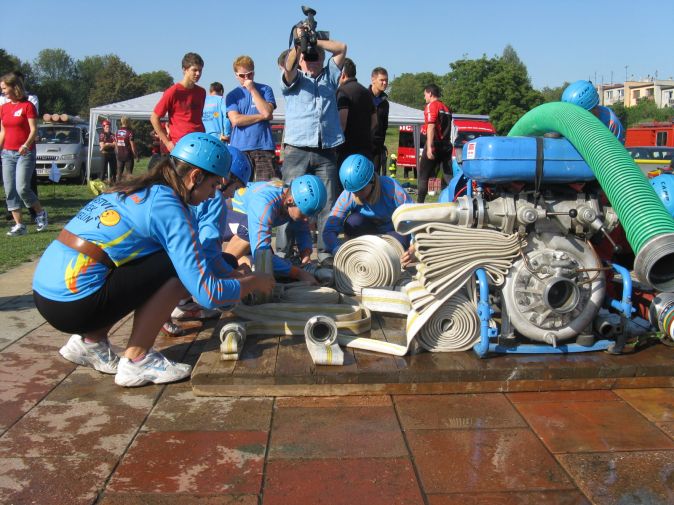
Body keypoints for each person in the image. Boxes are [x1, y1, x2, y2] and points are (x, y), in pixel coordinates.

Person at [32, 133, 274, 387]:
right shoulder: (168, 207)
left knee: (161, 261)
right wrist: (254, 282)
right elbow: (208, 295)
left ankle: (91, 342)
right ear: (195, 177)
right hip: (74, 304)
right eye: (214, 185)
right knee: (174, 268)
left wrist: (230, 274)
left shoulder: (140, 189)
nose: (213, 195)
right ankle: (137, 361)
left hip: (48, 293)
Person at [276, 28, 347, 265]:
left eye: (316, 56)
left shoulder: (330, 76)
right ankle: (284, 253)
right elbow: (288, 66)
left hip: (326, 149)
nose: (312, 59)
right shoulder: (294, 78)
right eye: (308, 57)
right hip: (297, 149)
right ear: (301, 60)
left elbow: (342, 48)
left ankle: (325, 253)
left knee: (328, 203)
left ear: (323, 57)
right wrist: (300, 45)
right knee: (289, 201)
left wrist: (316, 42)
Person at [223, 175, 327, 284]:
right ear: (290, 201)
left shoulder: (292, 196)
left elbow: (302, 227)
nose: (306, 219)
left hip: (246, 223)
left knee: (273, 270)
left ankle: (239, 261)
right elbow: (262, 253)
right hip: (225, 216)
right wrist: (299, 273)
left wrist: (306, 256)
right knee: (263, 265)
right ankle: (220, 267)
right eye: (304, 214)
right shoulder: (264, 204)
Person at [324, 154, 413, 260]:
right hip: (368, 232)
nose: (357, 195)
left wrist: (414, 247)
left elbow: (413, 218)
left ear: (372, 180)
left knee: (399, 249)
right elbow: (329, 229)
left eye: (361, 190)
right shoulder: (348, 194)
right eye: (354, 192)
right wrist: (337, 249)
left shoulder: (392, 189)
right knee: (352, 221)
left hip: (392, 232)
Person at [0, 72, 48, 236]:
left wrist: (26, 145)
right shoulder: (4, 108)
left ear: (14, 87)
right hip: (7, 153)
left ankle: (40, 213)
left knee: (22, 188)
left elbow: (34, 130)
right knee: (10, 190)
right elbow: (3, 131)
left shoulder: (28, 106)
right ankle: (19, 225)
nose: (3, 92)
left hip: (25, 153)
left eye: (4, 88)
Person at [225, 56, 279, 181]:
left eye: (249, 74)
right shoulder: (232, 95)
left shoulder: (265, 90)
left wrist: (252, 89)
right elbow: (236, 120)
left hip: (264, 148)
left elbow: (267, 111)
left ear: (254, 73)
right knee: (239, 189)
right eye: (242, 75)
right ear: (236, 75)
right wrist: (262, 116)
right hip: (240, 149)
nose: (246, 78)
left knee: (266, 188)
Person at [151, 52, 206, 152]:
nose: (198, 73)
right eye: (194, 70)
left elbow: (198, 118)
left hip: (200, 143)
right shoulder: (173, 92)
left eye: (200, 70)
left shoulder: (202, 92)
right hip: (180, 146)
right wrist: (167, 143)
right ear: (184, 70)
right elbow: (154, 118)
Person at [336, 58, 375, 169]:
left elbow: (342, 122)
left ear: (342, 74)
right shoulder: (367, 92)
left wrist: (336, 146)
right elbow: (375, 120)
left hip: (347, 151)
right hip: (365, 148)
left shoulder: (342, 91)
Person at [417, 84, 452, 203]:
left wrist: (429, 147)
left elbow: (431, 126)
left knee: (423, 175)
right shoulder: (447, 108)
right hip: (446, 146)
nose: (424, 97)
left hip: (435, 145)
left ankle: (419, 204)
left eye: (425, 95)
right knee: (448, 176)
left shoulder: (431, 106)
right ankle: (455, 201)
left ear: (430, 93)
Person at [369, 67, 390, 176]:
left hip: (377, 148)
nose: (385, 83)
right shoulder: (363, 97)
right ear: (373, 80)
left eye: (386, 80)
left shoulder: (385, 103)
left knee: (375, 177)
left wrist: (381, 145)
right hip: (363, 146)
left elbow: (384, 126)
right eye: (382, 80)